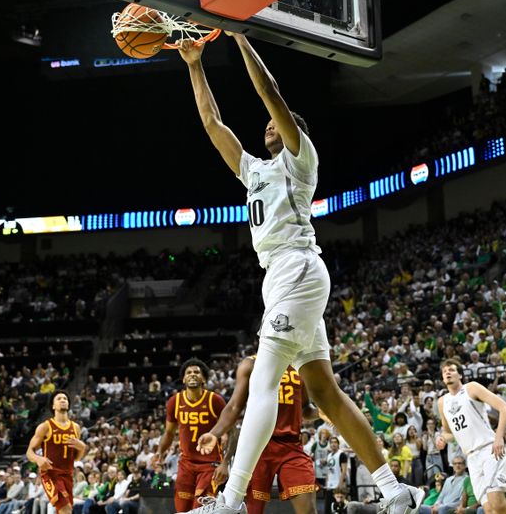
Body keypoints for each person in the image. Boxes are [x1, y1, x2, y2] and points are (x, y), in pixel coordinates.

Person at [175, 32, 421, 514]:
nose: (267, 125)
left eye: (275, 124)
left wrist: (240, 35)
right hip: (283, 278)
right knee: (325, 392)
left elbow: (270, 90)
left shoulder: (300, 158)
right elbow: (211, 121)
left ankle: (227, 501)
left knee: (264, 379)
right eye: (265, 125)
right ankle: (395, 490)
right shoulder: (252, 171)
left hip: (297, 269)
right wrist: (194, 62)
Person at [197, 357, 318, 514]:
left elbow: (306, 409)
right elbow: (234, 406)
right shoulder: (251, 363)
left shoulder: (299, 365)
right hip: (258, 447)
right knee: (253, 510)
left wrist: (321, 412)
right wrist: (215, 433)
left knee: (308, 510)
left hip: (292, 447)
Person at [435, 359, 506, 514]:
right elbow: (449, 433)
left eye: (451, 370)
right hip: (471, 458)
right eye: (444, 371)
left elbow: (505, 409)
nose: (447, 373)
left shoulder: (471, 388)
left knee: (498, 505)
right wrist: (442, 438)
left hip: (489, 449)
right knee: (489, 510)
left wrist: (499, 438)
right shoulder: (442, 402)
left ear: (460, 375)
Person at [155, 359, 226, 512]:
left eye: (196, 372)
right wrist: (160, 452)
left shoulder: (215, 400)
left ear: (204, 379)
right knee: (182, 510)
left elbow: (229, 433)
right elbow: (168, 433)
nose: (192, 375)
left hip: (210, 464)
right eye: (189, 372)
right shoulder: (175, 402)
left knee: (199, 509)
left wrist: (225, 462)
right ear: (183, 379)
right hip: (186, 464)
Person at [26, 391, 87, 514]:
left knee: (63, 510)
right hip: (51, 473)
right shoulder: (45, 426)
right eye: (59, 398)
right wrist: (38, 459)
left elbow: (76, 458)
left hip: (68, 474)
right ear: (53, 406)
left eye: (65, 398)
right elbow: (29, 452)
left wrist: (82, 448)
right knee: (66, 510)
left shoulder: (75, 428)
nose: (63, 400)